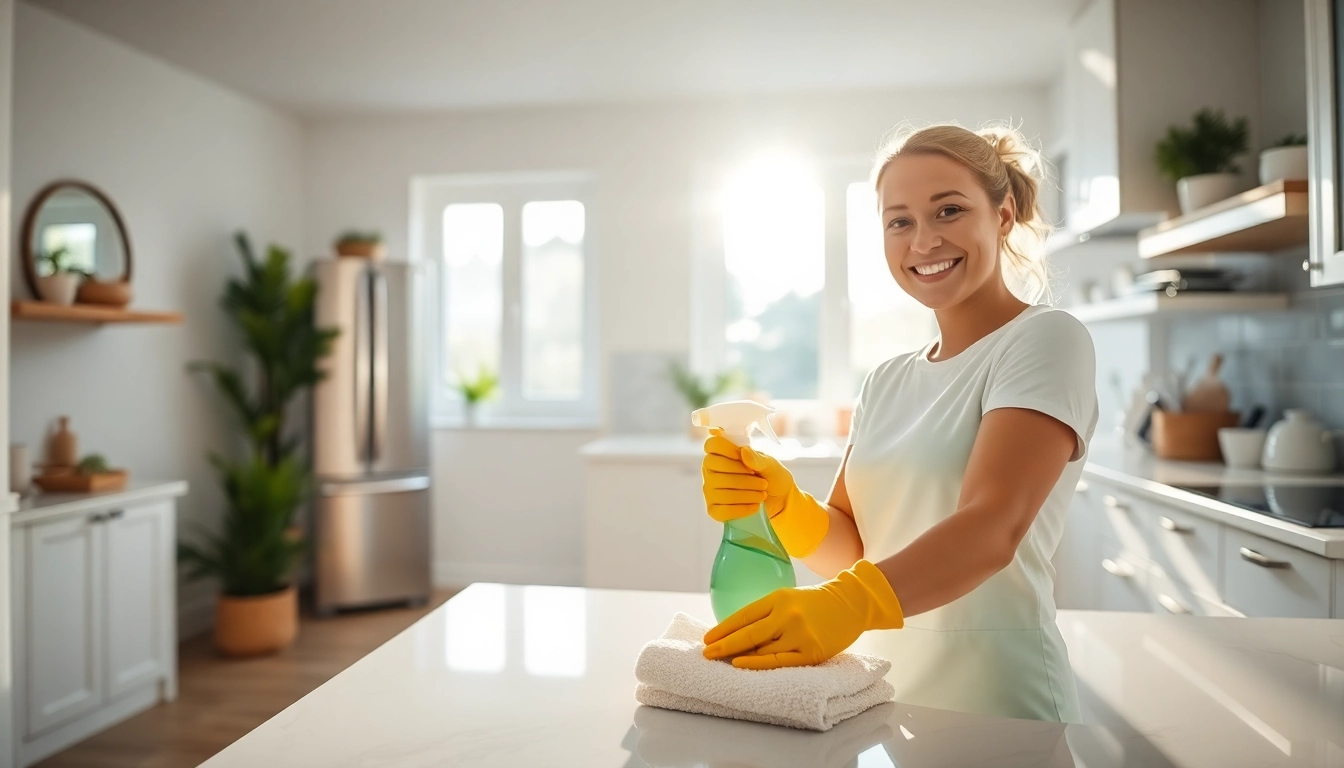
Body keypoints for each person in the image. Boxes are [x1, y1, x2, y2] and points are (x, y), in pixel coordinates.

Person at [699, 123, 1098, 722]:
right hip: (881, 702)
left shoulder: (1045, 340)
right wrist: (782, 504)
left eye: (949, 210)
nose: (924, 241)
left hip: (1001, 707)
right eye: (900, 221)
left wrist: (849, 606)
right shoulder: (886, 379)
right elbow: (856, 548)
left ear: (1005, 214)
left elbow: (992, 526)